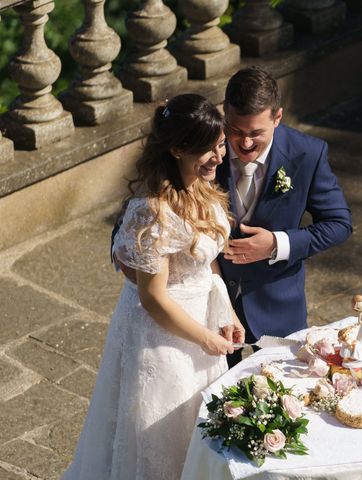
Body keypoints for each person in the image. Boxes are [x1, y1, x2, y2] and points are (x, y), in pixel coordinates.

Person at [64, 94, 244, 480]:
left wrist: (225, 313)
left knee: (198, 429)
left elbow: (206, 255)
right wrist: (205, 339)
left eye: (219, 144)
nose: (219, 157)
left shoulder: (201, 184)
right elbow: (153, 297)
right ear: (177, 148)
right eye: (207, 149)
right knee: (159, 438)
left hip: (200, 325)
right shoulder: (153, 210)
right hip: (163, 338)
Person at [218, 67, 352, 367]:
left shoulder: (308, 153)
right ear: (224, 113)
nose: (246, 144)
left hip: (277, 306)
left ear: (277, 118)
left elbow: (339, 224)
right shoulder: (204, 146)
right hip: (212, 310)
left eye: (256, 133)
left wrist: (278, 244)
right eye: (236, 131)